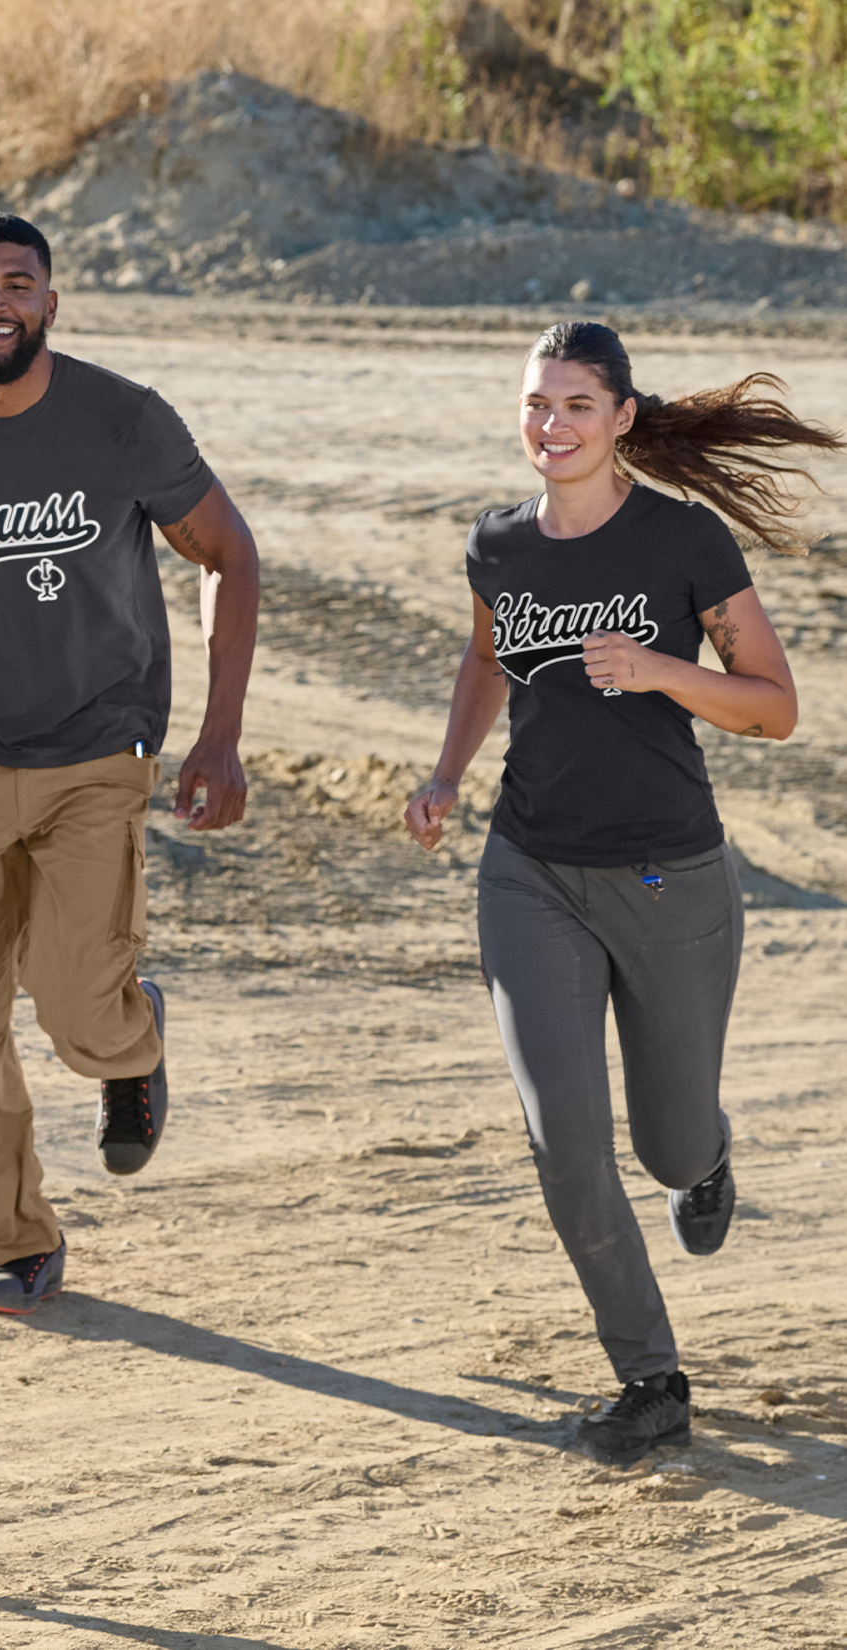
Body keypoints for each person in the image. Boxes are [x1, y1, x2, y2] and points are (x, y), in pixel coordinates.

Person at [405, 321, 841, 1468]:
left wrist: (659, 670)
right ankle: (650, 1378)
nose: (551, 426)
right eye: (536, 404)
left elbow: (775, 706)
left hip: (669, 876)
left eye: (577, 407)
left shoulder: (683, 539)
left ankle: (707, 1158)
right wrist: (447, 775)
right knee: (566, 1143)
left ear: (622, 421)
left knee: (665, 1143)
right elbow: (487, 657)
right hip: (529, 872)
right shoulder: (497, 543)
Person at [0, 212, 259, 1315]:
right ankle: (17, 1238)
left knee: (79, 1010)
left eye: (16, 283)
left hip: (94, 748)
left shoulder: (122, 421)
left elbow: (227, 551)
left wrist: (219, 735)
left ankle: (133, 1040)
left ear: (50, 305)